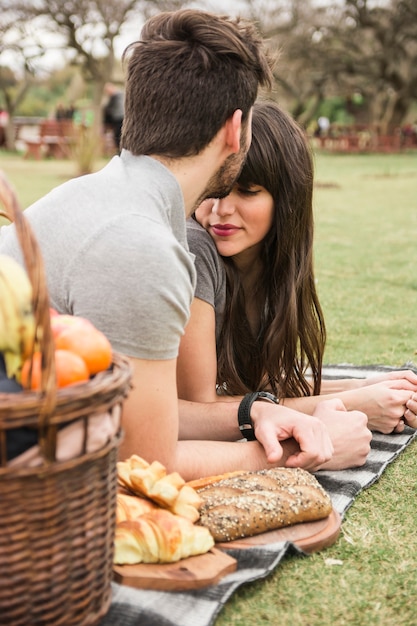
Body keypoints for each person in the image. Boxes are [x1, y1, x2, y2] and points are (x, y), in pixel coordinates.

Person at [0, 10, 366, 480]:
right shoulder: (141, 244)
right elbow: (143, 463)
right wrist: (309, 449)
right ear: (236, 129)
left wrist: (252, 412)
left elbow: (144, 409)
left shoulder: (117, 196)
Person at [179, 101, 417, 449]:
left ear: (285, 198)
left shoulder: (265, 264)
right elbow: (201, 412)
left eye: (247, 190)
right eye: (214, 189)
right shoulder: (194, 247)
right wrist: (357, 403)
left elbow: (259, 388)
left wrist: (367, 386)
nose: (220, 209)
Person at [103, 82, 125, 151]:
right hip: (121, 118)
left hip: (118, 118)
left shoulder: (115, 96)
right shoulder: (121, 94)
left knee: (118, 135)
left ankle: (119, 149)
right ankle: (119, 149)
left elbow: (108, 109)